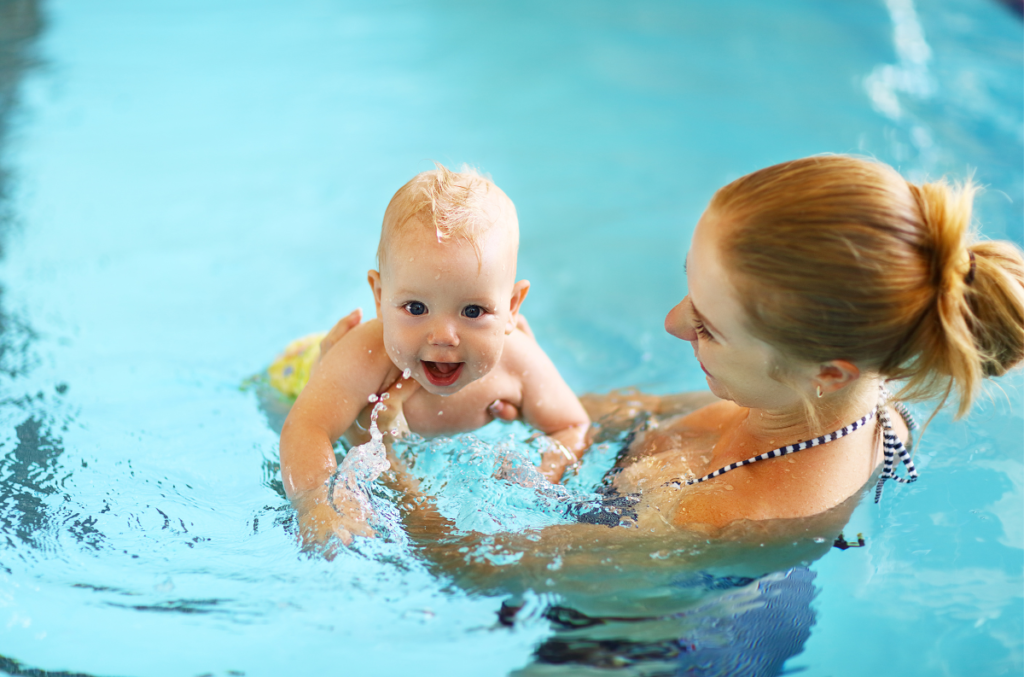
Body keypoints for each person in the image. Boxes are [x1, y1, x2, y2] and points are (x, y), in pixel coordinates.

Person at [317, 154, 1024, 550]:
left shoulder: (728, 516)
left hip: (637, 649)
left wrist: (369, 448)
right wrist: (497, 396)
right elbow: (639, 411)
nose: (671, 321)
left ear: (826, 369)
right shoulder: (858, 373)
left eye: (709, 326)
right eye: (690, 284)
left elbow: (479, 566)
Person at [278, 164, 590, 546]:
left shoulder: (517, 362)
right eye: (415, 307)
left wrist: (543, 478)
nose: (443, 336)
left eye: (472, 312)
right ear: (380, 297)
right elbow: (306, 428)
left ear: (511, 308)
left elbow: (572, 426)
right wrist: (316, 505)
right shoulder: (368, 354)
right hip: (297, 375)